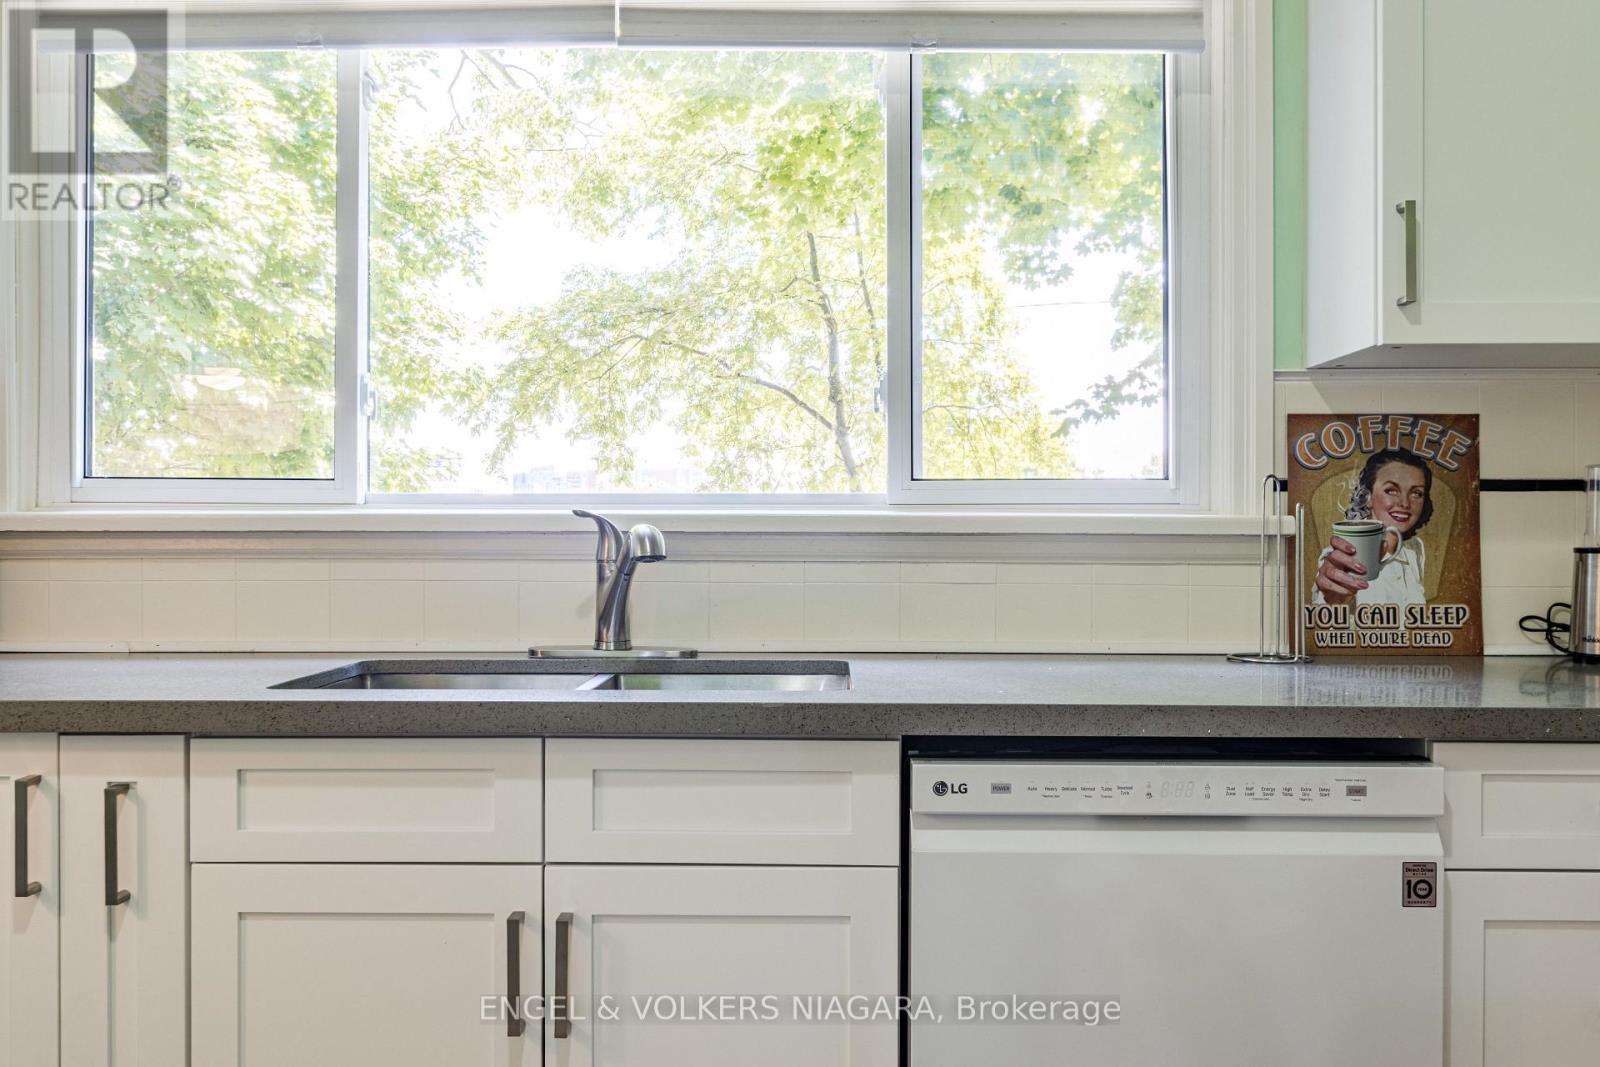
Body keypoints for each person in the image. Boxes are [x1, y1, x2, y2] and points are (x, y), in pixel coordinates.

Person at [1313, 448, 1432, 607]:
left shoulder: (1415, 550)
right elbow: (1328, 603)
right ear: (1367, 497)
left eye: (1416, 493)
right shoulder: (1340, 558)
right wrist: (1333, 598)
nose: (1405, 503)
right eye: (1391, 490)